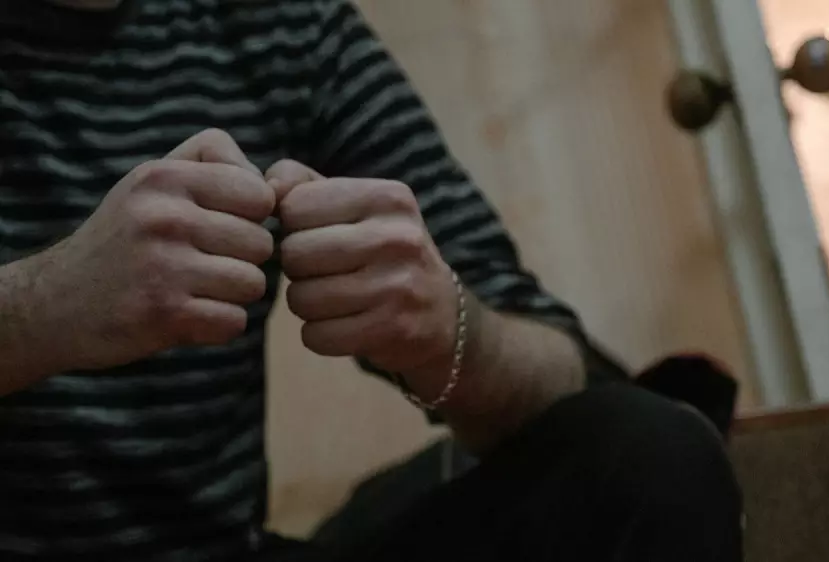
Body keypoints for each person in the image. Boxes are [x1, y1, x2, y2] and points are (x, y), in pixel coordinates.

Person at [0, 0, 743, 560]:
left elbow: (560, 375)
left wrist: (446, 331)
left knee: (650, 455)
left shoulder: (280, 24)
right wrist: (43, 306)